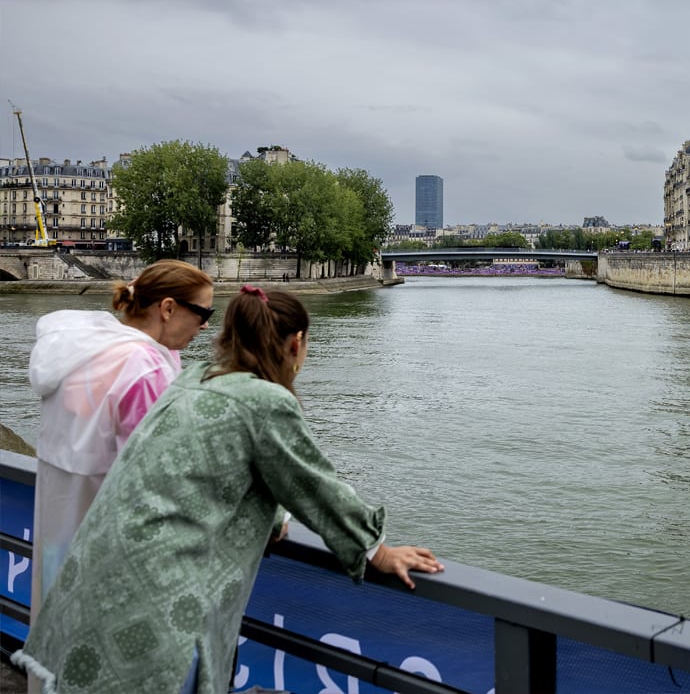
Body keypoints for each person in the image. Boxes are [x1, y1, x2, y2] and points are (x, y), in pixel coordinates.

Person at [12, 286, 442, 694]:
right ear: (296, 344)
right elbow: (312, 483)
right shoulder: (265, 401)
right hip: (159, 594)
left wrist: (273, 517)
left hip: (96, 577)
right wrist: (376, 550)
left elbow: (213, 463)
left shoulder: (195, 378)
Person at [26, 259, 214, 625]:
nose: (206, 325)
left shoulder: (85, 352)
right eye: (204, 312)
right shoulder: (144, 368)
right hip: (112, 542)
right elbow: (162, 470)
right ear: (168, 308)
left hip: (59, 523)